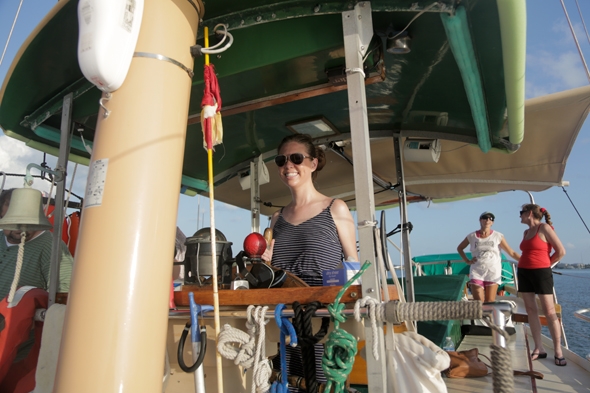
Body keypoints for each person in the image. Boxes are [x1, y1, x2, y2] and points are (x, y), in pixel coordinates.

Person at [261, 134, 357, 392]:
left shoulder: (335, 208)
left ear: (313, 164)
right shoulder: (276, 218)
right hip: (284, 322)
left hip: (322, 320)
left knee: (321, 386)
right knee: (287, 384)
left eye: (296, 158)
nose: (288, 165)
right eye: (282, 160)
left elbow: (352, 264)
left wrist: (346, 309)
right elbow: (273, 273)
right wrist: (266, 263)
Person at [0, 188, 74, 300]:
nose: (19, 227)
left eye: (25, 220)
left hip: (19, 317)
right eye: (11, 220)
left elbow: (64, 291)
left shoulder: (50, 245)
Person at [518, 204, 566, 366]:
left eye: (521, 213)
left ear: (529, 213)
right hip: (524, 272)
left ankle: (558, 350)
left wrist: (545, 265)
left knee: (549, 311)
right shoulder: (526, 232)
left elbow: (561, 251)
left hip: (541, 273)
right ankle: (539, 348)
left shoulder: (544, 228)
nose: (520, 216)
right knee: (531, 310)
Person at [457, 211, 520, 302]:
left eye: (491, 219)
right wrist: (467, 261)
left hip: (492, 271)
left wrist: (524, 261)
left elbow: (511, 252)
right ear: (480, 220)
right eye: (485, 218)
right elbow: (460, 248)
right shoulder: (472, 236)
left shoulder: (498, 236)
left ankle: (489, 316)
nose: (488, 220)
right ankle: (480, 316)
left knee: (490, 301)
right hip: (477, 271)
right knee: (478, 302)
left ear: (493, 222)